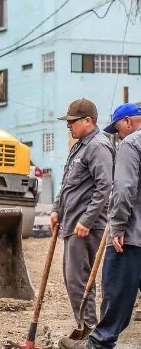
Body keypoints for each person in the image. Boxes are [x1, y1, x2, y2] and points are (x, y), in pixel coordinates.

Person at [59, 103, 141, 349]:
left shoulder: (129, 144)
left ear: (128, 121)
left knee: (115, 289)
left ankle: (99, 344)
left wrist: (116, 226)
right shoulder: (84, 147)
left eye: (117, 128)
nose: (118, 134)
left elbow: (120, 188)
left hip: (131, 234)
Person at [50, 99, 114, 331]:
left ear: (88, 121)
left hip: (87, 226)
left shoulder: (98, 146)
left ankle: (90, 330)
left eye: (73, 122)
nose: (69, 126)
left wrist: (87, 220)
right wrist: (57, 209)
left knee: (79, 280)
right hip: (72, 222)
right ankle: (84, 327)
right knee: (72, 279)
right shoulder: (80, 146)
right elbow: (68, 183)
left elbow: (105, 187)